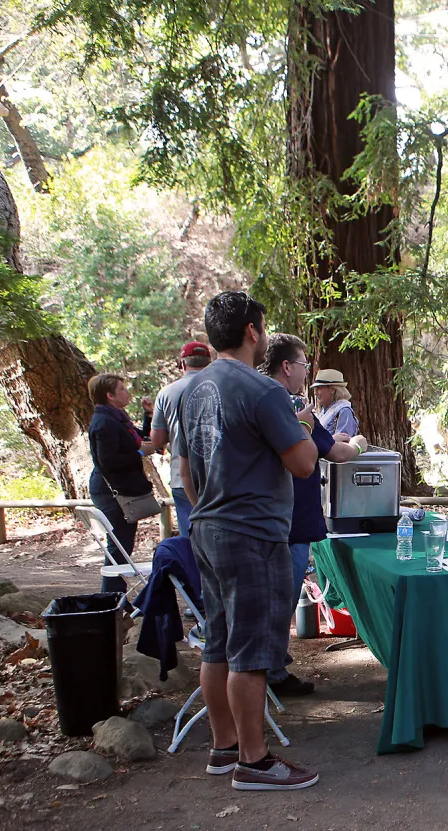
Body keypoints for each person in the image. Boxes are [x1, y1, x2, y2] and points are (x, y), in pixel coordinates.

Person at [175, 291, 321, 791]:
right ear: (253, 332)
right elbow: (302, 464)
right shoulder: (262, 391)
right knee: (253, 649)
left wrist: (203, 512)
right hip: (252, 533)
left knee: (217, 644)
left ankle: (224, 748)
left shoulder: (193, 390)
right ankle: (254, 762)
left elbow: (185, 470)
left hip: (207, 527)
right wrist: (304, 431)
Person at [259, 333, 367, 698]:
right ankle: (270, 673)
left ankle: (270, 666)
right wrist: (358, 445)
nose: (307, 374)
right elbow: (334, 452)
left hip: (274, 516)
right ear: (287, 366)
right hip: (288, 519)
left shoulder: (259, 399)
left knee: (277, 596)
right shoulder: (291, 407)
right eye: (305, 366)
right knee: (282, 596)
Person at [87, 373, 155, 593]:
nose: (127, 393)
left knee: (122, 546)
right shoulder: (104, 422)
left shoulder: (118, 419)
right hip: (111, 492)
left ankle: (114, 598)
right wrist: (138, 453)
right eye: (122, 389)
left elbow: (140, 436)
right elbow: (107, 461)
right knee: (118, 547)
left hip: (121, 488)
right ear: (110, 395)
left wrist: (148, 415)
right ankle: (111, 599)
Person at [149, 341, 211, 536]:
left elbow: (157, 440)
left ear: (182, 364)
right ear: (210, 362)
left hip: (183, 477)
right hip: (219, 475)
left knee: (191, 539)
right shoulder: (221, 387)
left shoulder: (167, 393)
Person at [311, 369, 359, 436]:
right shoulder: (324, 410)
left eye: (319, 388)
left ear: (332, 390)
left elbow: (344, 443)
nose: (315, 393)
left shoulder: (344, 411)